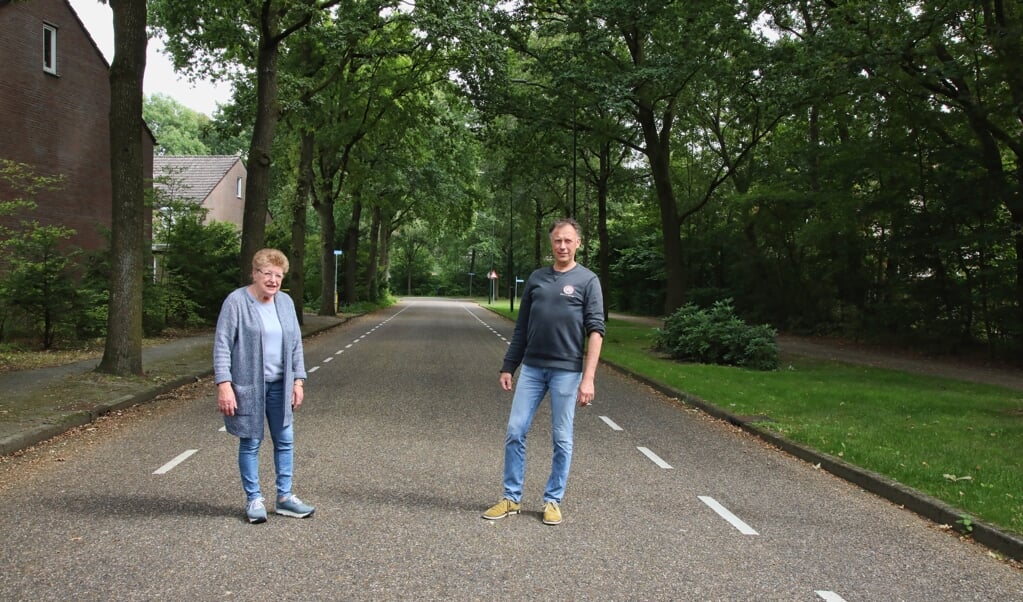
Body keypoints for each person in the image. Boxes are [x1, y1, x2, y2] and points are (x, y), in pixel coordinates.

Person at [483, 218, 605, 525]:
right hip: (533, 369)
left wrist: (588, 378)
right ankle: (511, 498)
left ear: (578, 243)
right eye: (557, 241)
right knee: (515, 431)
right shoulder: (537, 278)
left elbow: (596, 331)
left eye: (568, 240)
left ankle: (553, 500)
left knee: (562, 438)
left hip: (567, 371)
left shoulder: (588, 281)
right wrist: (509, 365)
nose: (562, 246)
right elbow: (522, 328)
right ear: (551, 244)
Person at [214, 248, 315, 524]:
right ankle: (254, 498)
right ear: (255, 274)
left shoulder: (285, 303)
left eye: (278, 275)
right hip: (249, 386)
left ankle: (284, 497)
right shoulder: (236, 302)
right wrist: (224, 384)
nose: (273, 280)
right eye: (267, 273)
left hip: (281, 386)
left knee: (285, 440)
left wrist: (298, 380)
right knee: (251, 442)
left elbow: (295, 345)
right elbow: (222, 346)